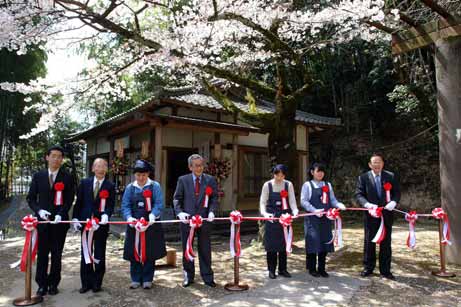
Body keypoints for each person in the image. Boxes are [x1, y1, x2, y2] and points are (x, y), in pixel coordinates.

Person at [26, 145, 75, 296]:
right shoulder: (38, 176)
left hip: (59, 223)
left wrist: (61, 213)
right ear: (47, 157)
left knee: (56, 254)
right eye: (53, 156)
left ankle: (54, 283)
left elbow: (69, 199)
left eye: (59, 156)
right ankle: (41, 284)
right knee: (42, 254)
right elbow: (31, 198)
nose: (56, 159)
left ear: (62, 159)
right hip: (42, 222)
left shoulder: (67, 176)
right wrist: (39, 211)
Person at [173, 154, 219, 288]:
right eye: (196, 165)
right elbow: (177, 198)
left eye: (201, 165)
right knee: (187, 249)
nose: (199, 168)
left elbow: (214, 198)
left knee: (205, 248)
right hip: (187, 221)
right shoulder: (183, 180)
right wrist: (179, 213)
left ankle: (207, 276)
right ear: (190, 167)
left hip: (204, 220)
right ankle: (188, 276)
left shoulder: (210, 180)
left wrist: (212, 211)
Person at [72, 158, 115, 293]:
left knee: (100, 253)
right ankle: (86, 283)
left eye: (104, 166)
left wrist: (106, 215)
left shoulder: (110, 185)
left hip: (101, 225)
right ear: (93, 169)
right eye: (98, 166)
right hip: (86, 223)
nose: (101, 168)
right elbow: (78, 202)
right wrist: (75, 218)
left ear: (106, 169)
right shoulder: (84, 183)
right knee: (86, 252)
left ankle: (97, 282)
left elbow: (110, 205)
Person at [121, 160, 166, 289]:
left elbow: (159, 203)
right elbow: (125, 205)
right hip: (135, 225)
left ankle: (147, 278)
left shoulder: (155, 186)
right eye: (138, 175)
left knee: (149, 252)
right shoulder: (130, 188)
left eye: (144, 175)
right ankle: (135, 278)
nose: (141, 178)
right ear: (135, 175)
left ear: (148, 174)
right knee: (134, 251)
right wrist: (129, 218)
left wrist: (153, 216)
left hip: (150, 224)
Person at [354, 153, 400, 280]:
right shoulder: (363, 177)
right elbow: (359, 194)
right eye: (374, 162)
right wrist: (367, 204)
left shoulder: (390, 176)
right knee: (369, 242)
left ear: (382, 163)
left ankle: (385, 270)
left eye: (379, 162)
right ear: (370, 164)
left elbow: (397, 192)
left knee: (386, 242)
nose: (377, 164)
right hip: (371, 214)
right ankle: (368, 268)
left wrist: (394, 202)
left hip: (387, 214)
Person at [300, 162, 346, 278]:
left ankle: (322, 268)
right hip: (312, 219)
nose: (320, 173)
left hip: (325, 219)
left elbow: (332, 200)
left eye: (322, 171)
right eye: (317, 171)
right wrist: (314, 210)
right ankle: (311, 268)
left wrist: (339, 205)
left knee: (324, 242)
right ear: (312, 172)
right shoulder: (307, 185)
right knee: (313, 242)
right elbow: (304, 201)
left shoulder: (328, 185)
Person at [259, 164, 299, 279]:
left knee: (284, 244)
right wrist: (265, 214)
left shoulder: (288, 184)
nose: (279, 177)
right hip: (272, 218)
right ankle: (271, 270)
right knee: (271, 246)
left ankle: (283, 269)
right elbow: (262, 202)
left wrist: (295, 211)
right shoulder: (267, 185)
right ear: (274, 173)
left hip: (284, 217)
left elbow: (292, 201)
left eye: (282, 175)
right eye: (277, 174)